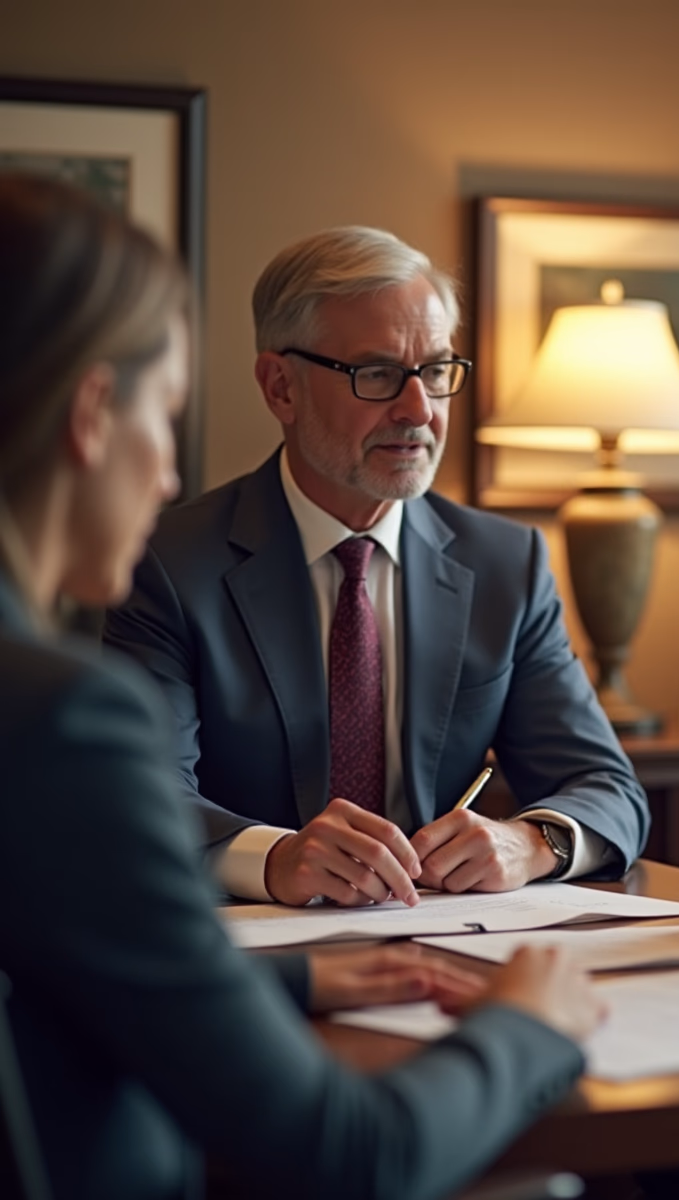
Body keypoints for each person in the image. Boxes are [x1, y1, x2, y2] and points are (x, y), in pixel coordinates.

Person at [0, 171, 604, 1199]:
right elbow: (350, 1156)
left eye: (437, 372)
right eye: (165, 414)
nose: (165, 476)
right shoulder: (63, 713)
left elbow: (45, 963)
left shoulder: (508, 562)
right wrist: (528, 1027)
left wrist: (296, 972)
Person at [103, 224, 649, 908]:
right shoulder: (165, 564)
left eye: (436, 371)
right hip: (241, 940)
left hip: (443, 936)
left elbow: (608, 787)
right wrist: (273, 857)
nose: (419, 410)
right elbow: (137, 795)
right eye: (379, 374)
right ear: (280, 387)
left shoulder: (506, 564)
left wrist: (532, 843)